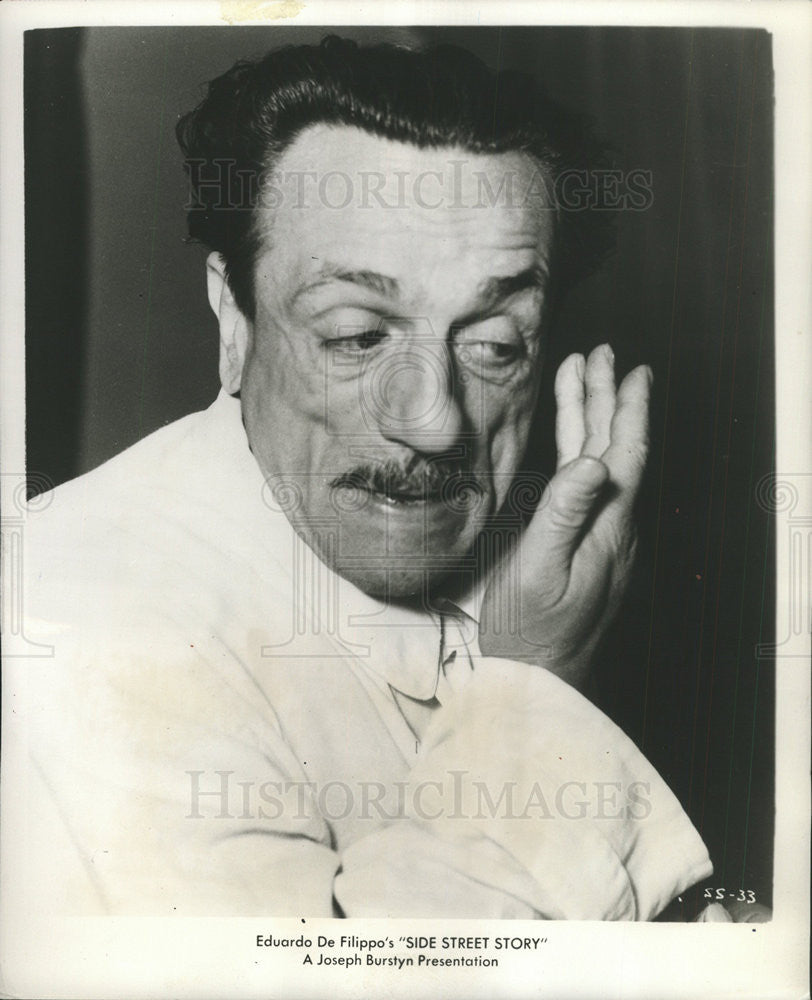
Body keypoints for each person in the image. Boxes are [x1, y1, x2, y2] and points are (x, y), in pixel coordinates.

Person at [16, 35, 715, 919]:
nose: (435, 420)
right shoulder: (74, 611)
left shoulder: (519, 585)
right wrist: (535, 685)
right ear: (233, 321)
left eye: (495, 345)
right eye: (357, 334)